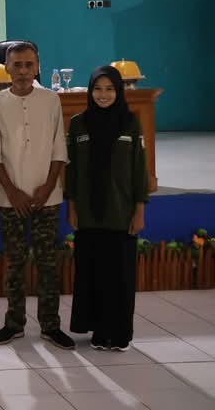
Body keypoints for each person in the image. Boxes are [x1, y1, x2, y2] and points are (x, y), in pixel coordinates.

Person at [0, 42, 74, 349]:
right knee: (15, 262)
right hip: (9, 198)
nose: (23, 71)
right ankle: (14, 324)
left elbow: (59, 148)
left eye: (29, 65)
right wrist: (13, 192)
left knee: (48, 263)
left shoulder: (51, 100)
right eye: (17, 65)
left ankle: (51, 325)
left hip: (47, 196)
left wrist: (47, 187)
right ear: (6, 68)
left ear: (37, 68)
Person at [67, 66, 148, 351]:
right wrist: (72, 207)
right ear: (90, 91)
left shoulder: (130, 123)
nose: (103, 95)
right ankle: (99, 332)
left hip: (121, 212)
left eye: (110, 89)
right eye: (97, 89)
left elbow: (139, 170)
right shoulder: (78, 124)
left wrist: (139, 210)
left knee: (120, 276)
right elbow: (72, 171)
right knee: (93, 274)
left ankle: (120, 333)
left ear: (119, 91)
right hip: (88, 213)